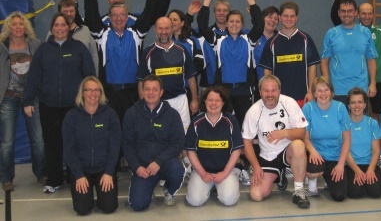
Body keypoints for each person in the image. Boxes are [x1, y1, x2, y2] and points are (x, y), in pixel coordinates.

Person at [23, 12, 95, 193]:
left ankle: (75, 178)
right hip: (49, 105)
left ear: (68, 27)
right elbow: (33, 77)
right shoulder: (43, 50)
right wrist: (28, 100)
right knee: (52, 143)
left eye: (63, 25)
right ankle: (53, 180)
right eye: (57, 25)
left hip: (75, 106)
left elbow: (89, 76)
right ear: (52, 28)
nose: (60, 28)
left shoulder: (79, 48)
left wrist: (90, 99)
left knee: (75, 143)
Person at [84, 0, 167, 122]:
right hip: (109, 92)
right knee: (112, 128)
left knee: (132, 128)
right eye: (114, 15)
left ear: (127, 17)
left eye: (122, 15)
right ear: (109, 18)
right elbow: (91, 15)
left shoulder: (137, 33)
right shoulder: (101, 34)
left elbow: (148, 13)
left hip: (133, 91)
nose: (118, 18)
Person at [197, 0, 263, 125]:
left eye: (237, 21)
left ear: (242, 24)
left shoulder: (249, 40)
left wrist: (252, 2)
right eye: (231, 21)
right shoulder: (218, 41)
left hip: (245, 91)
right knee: (224, 125)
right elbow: (202, 27)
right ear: (226, 24)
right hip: (223, 91)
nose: (234, 24)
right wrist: (206, 3)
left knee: (245, 126)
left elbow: (259, 26)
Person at [242, 75, 310, 209]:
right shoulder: (254, 111)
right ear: (260, 91)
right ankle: (280, 176)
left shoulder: (289, 103)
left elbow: (302, 132)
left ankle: (299, 191)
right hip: (268, 155)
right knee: (256, 195)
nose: (270, 94)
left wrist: (284, 133)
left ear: (279, 90)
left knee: (298, 145)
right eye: (266, 91)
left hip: (288, 152)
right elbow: (246, 142)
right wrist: (256, 167)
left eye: (273, 90)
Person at [122, 75, 186, 211]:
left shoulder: (172, 115)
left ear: (161, 92)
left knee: (178, 169)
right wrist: (136, 167)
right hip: (143, 167)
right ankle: (147, 187)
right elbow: (127, 144)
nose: (151, 93)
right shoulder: (131, 113)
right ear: (142, 91)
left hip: (164, 163)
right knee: (137, 205)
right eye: (147, 89)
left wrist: (158, 162)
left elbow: (178, 143)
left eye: (155, 89)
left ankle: (169, 189)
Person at [62, 76, 121, 215]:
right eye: (89, 90)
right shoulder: (71, 116)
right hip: (82, 170)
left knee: (109, 207)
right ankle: (86, 195)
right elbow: (69, 150)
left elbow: (115, 146)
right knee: (82, 210)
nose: (93, 94)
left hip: (104, 169)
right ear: (82, 92)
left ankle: (103, 194)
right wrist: (78, 175)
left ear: (101, 93)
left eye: (96, 90)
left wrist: (108, 172)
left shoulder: (110, 114)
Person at [0, 11, 45, 191]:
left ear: (25, 26)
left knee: (39, 139)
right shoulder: (2, 46)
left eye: (21, 24)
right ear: (9, 27)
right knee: (7, 142)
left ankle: (41, 173)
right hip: (8, 98)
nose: (18, 27)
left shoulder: (35, 45)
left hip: (32, 97)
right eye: (15, 24)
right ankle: (6, 178)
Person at [184, 86, 244, 206]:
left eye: (217, 100)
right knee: (194, 201)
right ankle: (210, 186)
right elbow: (191, 151)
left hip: (226, 171)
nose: (213, 103)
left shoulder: (231, 121)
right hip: (202, 172)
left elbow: (237, 151)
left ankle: (221, 186)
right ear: (204, 101)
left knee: (229, 201)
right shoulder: (196, 122)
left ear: (223, 103)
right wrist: (202, 173)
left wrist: (225, 173)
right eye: (210, 100)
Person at [137, 16, 198, 132]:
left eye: (167, 28)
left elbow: (191, 76)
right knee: (160, 135)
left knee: (184, 136)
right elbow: (141, 80)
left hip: (180, 100)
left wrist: (194, 99)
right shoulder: (148, 52)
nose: (164, 32)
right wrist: (142, 103)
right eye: (160, 29)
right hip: (157, 102)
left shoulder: (182, 50)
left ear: (172, 29)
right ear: (155, 29)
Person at [259, 1, 320, 107]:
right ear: (280, 17)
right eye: (285, 16)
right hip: (279, 99)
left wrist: (311, 92)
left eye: (292, 16)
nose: (289, 19)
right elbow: (267, 71)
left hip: (303, 97)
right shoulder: (271, 42)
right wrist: (269, 95)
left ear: (297, 18)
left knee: (301, 125)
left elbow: (312, 67)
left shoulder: (305, 39)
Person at [321, 0, 378, 106]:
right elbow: (324, 62)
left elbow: (371, 60)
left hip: (360, 89)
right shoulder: (331, 33)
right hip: (338, 90)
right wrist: (328, 87)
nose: (346, 14)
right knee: (340, 122)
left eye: (350, 11)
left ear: (356, 13)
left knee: (359, 122)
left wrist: (373, 83)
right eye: (343, 11)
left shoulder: (365, 32)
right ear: (338, 13)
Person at [302, 77, 351, 201]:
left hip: (334, 155)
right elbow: (305, 137)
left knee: (339, 195)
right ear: (314, 93)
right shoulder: (308, 108)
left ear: (331, 92)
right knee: (313, 168)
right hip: (316, 154)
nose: (323, 94)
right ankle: (312, 180)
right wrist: (312, 151)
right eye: (319, 91)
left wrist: (341, 164)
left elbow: (347, 139)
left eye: (326, 90)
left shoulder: (340, 108)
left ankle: (327, 179)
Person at [345, 87, 381, 198]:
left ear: (365, 105)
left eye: (360, 102)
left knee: (376, 192)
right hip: (352, 165)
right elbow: (345, 151)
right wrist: (357, 171)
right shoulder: (344, 124)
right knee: (355, 193)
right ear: (349, 106)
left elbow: (376, 150)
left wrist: (371, 170)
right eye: (353, 103)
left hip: (369, 163)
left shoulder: (372, 123)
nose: (357, 106)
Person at [47, 0, 99, 75]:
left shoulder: (85, 30)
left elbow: (94, 57)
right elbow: (46, 59)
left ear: (75, 12)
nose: (68, 14)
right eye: (65, 11)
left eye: (71, 11)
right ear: (59, 13)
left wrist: (94, 79)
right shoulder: (52, 34)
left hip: (82, 80)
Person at [253, 6, 279, 82]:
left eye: (276, 18)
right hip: (257, 84)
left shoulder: (281, 39)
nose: (273, 20)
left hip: (278, 85)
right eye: (270, 17)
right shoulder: (253, 38)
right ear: (262, 19)